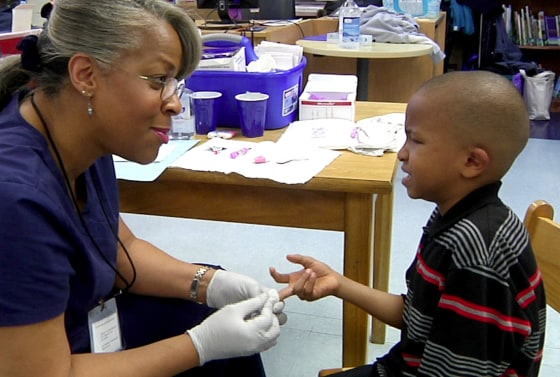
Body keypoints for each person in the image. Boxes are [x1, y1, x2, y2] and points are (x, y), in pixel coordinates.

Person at [0, 1, 283, 376]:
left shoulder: (79, 132)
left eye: (176, 83)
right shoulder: (16, 198)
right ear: (86, 75)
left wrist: (210, 284)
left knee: (208, 312)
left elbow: (120, 250)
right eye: (157, 80)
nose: (175, 103)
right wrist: (200, 346)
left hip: (67, 328)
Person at [270, 70, 547, 377]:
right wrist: (338, 283)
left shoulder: (476, 247)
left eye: (415, 141)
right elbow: (421, 317)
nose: (402, 153)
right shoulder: (453, 216)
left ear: (472, 162)